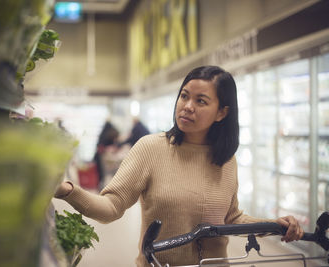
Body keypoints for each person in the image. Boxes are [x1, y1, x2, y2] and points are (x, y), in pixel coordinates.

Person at [54, 66, 304, 266]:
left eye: (201, 101)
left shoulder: (226, 159)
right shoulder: (151, 148)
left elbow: (230, 218)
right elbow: (111, 206)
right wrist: (67, 190)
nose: (187, 106)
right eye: (184, 96)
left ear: (222, 113)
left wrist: (273, 225)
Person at [93, 121, 119, 189]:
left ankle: (101, 188)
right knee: (102, 175)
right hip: (101, 158)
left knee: (102, 175)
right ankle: (101, 188)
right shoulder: (106, 137)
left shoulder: (104, 134)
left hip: (101, 157)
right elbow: (101, 148)